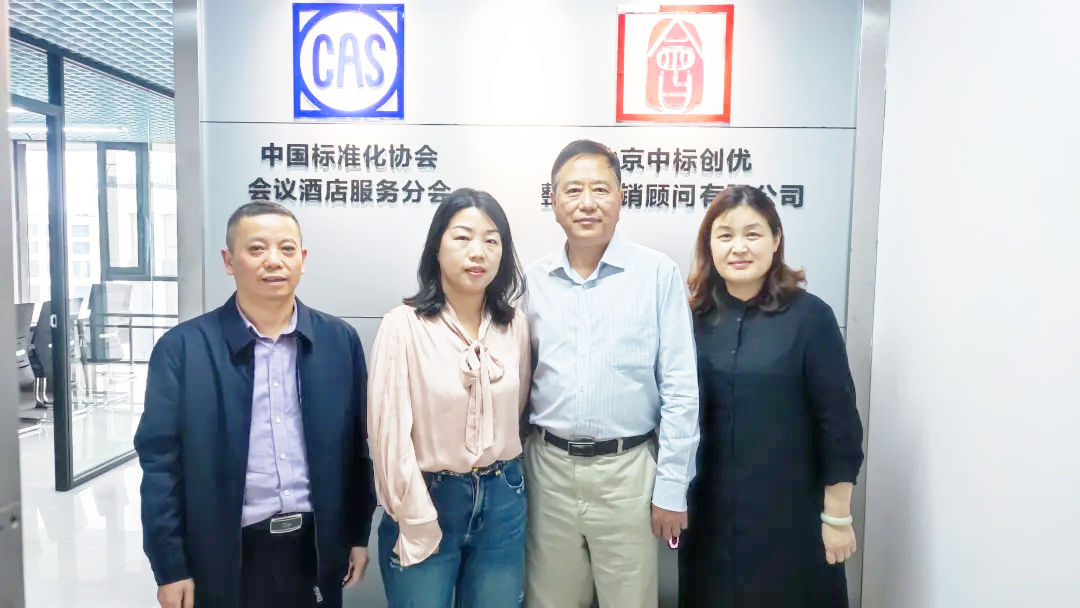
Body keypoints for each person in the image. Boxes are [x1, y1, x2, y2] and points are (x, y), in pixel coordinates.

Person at [134, 202, 377, 608]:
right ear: (229, 261)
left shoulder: (339, 341)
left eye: (287, 249)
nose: (273, 261)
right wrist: (170, 566)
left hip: (316, 547)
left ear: (302, 259)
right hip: (225, 553)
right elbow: (160, 466)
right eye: (257, 248)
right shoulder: (182, 349)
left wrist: (356, 534)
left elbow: (355, 450)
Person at [523, 140, 700, 608]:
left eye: (600, 189)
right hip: (548, 472)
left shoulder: (657, 274)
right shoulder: (532, 281)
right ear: (553, 201)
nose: (587, 202)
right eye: (572, 190)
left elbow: (681, 389)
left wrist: (672, 488)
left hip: (629, 474)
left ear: (621, 198)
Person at [678, 186, 864, 607]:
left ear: (776, 239)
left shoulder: (811, 317)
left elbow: (839, 423)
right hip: (709, 519)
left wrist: (837, 516)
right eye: (725, 235)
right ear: (709, 245)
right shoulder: (692, 319)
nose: (739, 247)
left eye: (753, 234)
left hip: (792, 517)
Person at [368, 188, 531, 607]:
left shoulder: (513, 325)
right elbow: (389, 438)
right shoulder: (403, 326)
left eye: (492, 241)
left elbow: (516, 410)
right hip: (427, 495)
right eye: (462, 237)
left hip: (503, 496)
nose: (478, 252)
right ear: (436, 247)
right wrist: (414, 515)